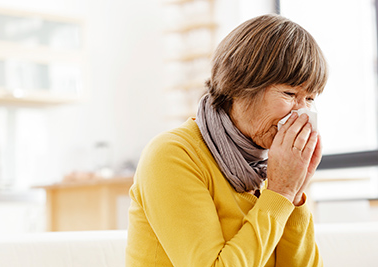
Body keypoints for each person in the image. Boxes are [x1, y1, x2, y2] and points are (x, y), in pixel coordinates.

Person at [126, 14, 328, 266]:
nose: (302, 112)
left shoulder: (268, 171)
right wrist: (281, 192)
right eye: (290, 93)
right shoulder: (171, 155)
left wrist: (294, 194)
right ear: (242, 87)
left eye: (310, 99)